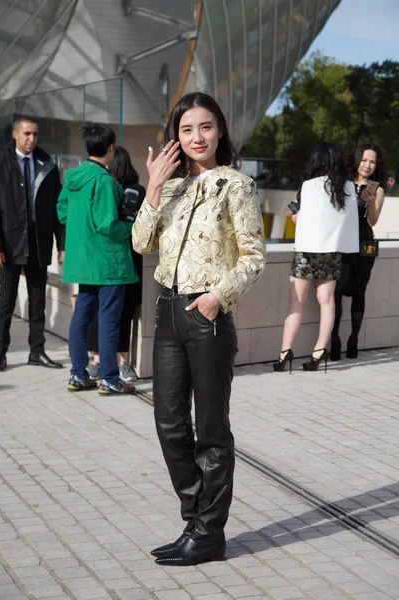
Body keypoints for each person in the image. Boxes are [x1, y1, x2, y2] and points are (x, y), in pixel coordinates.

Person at [132, 92, 266, 566]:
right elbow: (141, 241)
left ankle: (208, 533)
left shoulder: (237, 186)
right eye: (187, 130)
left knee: (211, 429)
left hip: (206, 315)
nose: (196, 137)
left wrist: (215, 298)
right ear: (177, 136)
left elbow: (253, 257)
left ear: (220, 130)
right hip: (167, 313)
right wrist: (152, 188)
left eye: (205, 127)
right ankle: (197, 519)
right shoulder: (168, 188)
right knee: (169, 423)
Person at [57, 123, 138, 395]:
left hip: (82, 261)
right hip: (107, 263)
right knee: (108, 321)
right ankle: (109, 378)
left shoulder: (73, 177)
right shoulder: (104, 181)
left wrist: (82, 227)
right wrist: (131, 228)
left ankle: (78, 374)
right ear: (111, 148)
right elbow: (107, 224)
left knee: (81, 317)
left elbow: (62, 212)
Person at [273, 142, 359, 373]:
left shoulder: (309, 186)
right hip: (332, 252)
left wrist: (296, 217)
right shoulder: (348, 188)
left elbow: (303, 221)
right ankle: (320, 351)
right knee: (327, 301)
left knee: (296, 303)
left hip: (307, 252)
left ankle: (284, 354)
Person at [0, 116, 65, 371]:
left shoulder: (46, 163)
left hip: (38, 243)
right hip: (10, 243)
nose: (32, 139)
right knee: (5, 302)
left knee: (38, 302)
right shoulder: (2, 161)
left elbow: (57, 207)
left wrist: (61, 243)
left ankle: (37, 351)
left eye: (35, 134)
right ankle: (1, 353)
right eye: (27, 134)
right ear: (15, 134)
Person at [86, 146, 145, 383]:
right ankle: (98, 361)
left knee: (124, 311)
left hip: (126, 259)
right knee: (96, 311)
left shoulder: (133, 190)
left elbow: (123, 217)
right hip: (102, 258)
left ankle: (123, 363)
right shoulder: (102, 187)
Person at [331, 143, 386, 360]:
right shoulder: (343, 183)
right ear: (357, 160)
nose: (367, 165)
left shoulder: (375, 187)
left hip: (364, 246)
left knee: (358, 292)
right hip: (343, 245)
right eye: (364, 160)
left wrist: (371, 203)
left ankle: (353, 340)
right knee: (335, 293)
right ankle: (334, 340)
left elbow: (372, 221)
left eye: (372, 161)